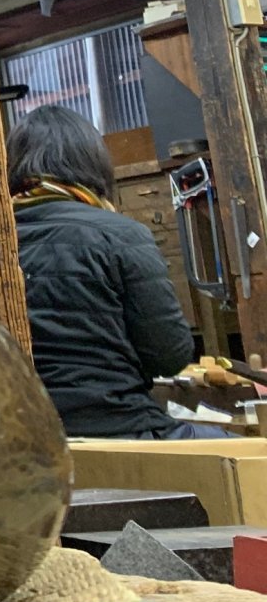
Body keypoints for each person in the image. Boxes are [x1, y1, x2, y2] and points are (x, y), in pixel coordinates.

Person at [11, 105, 226, 440]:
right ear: (91, 162)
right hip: (122, 427)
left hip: (23, 436)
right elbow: (169, 357)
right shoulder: (122, 234)